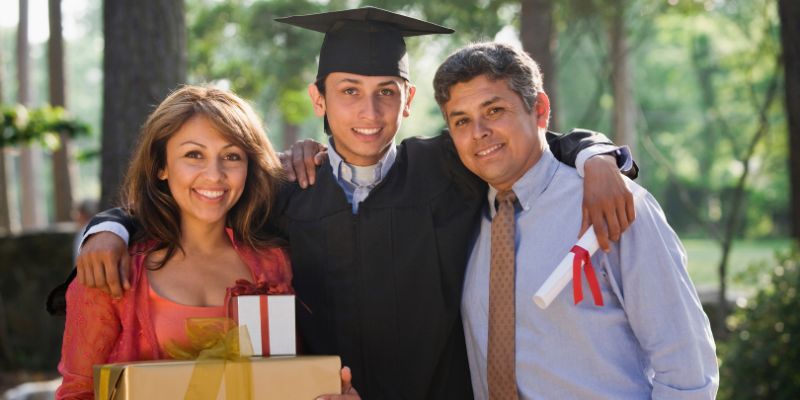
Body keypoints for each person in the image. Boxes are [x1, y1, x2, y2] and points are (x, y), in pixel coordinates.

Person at [52, 8, 638, 399]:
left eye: (387, 94)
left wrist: (597, 156)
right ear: (318, 99)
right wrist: (108, 228)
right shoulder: (284, 191)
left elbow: (525, 146)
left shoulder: (447, 168)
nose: (370, 113)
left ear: (408, 101)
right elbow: (190, 201)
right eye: (349, 92)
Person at [432, 42, 718, 399]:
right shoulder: (460, 218)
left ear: (539, 110)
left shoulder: (614, 205)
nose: (478, 133)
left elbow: (686, 367)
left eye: (494, 110)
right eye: (462, 120)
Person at [55, 86, 294, 399]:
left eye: (232, 156)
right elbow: (77, 393)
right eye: (194, 155)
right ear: (161, 167)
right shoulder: (111, 268)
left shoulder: (275, 263)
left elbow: (294, 377)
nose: (215, 175)